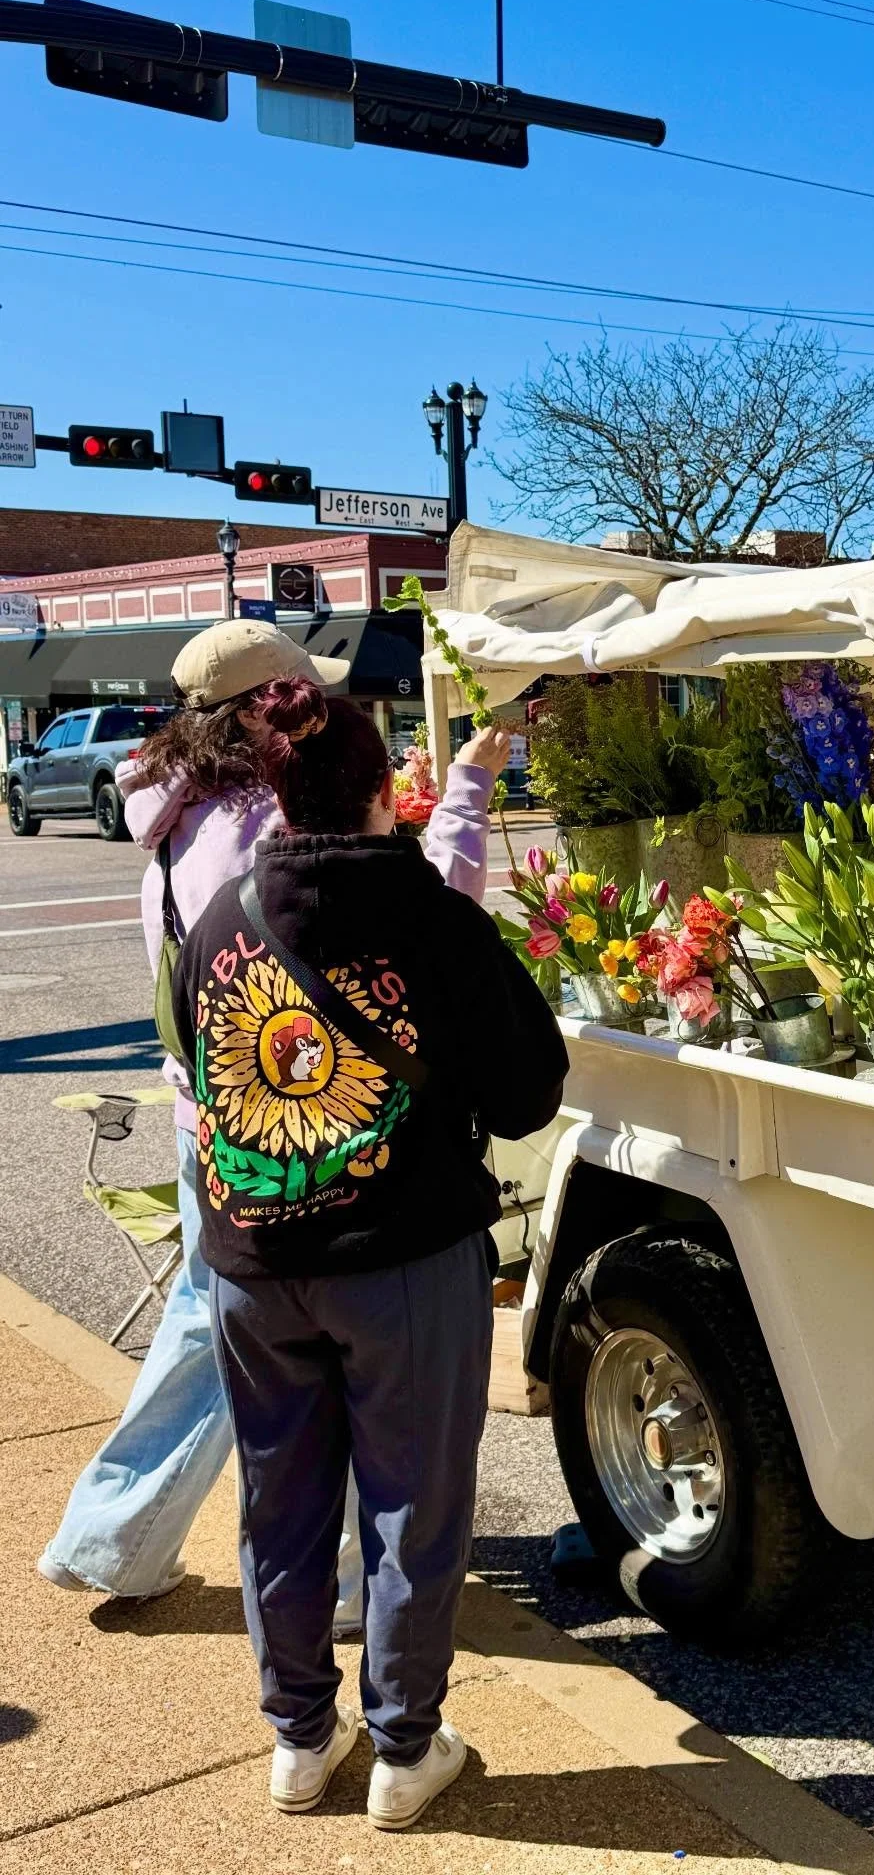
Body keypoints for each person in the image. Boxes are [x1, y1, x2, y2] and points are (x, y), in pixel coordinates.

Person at [37, 618, 504, 1617]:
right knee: (319, 1342)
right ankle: (338, 1585)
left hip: (206, 1101)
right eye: (307, 694)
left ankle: (113, 1536)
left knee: (226, 1323)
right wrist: (464, 794)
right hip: (297, 1109)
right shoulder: (261, 818)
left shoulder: (174, 808)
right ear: (272, 711)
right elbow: (425, 908)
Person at [172, 678, 566, 1830]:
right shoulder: (437, 921)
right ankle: (404, 1748)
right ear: (388, 786)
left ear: (276, 793)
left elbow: (202, 1061)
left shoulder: (223, 917)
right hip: (401, 1252)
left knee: (278, 1503)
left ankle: (299, 1740)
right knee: (412, 1508)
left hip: (253, 1258)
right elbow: (529, 1093)